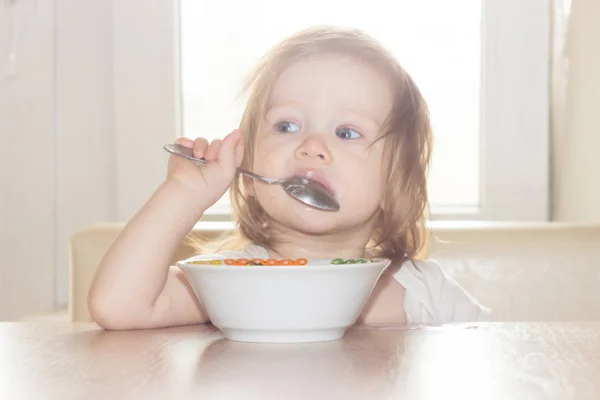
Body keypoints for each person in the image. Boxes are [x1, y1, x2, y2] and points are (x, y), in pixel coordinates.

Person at [88, 26, 490, 330]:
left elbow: (499, 356)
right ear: (248, 168)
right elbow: (118, 306)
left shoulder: (424, 292)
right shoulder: (231, 281)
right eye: (286, 126)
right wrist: (183, 192)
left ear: (395, 182)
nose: (312, 146)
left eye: (346, 132)